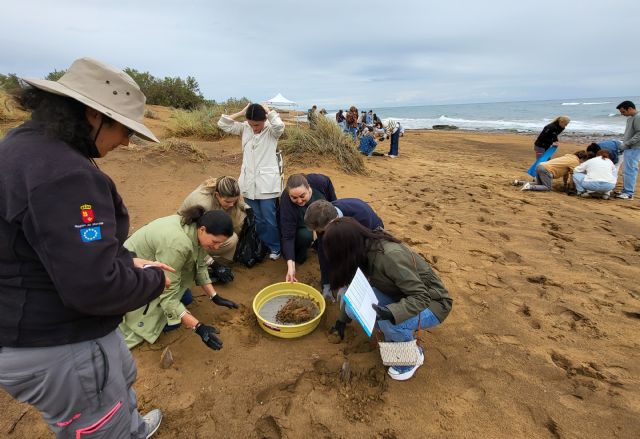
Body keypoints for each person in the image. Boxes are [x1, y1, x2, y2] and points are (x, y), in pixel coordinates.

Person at [0, 58, 168, 438]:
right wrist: (153, 281)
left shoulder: (21, 149)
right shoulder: (66, 175)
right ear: (94, 115)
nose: (126, 141)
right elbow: (95, 287)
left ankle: (132, 428)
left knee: (117, 385)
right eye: (124, 129)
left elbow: (52, 245)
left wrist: (124, 260)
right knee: (98, 424)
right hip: (62, 345)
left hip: (31, 327)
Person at [323, 218, 452, 381]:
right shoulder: (363, 251)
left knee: (388, 323)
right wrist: (340, 322)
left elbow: (421, 297)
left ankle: (411, 359)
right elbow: (356, 292)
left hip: (434, 303)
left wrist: (391, 313)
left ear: (346, 249)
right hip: (400, 294)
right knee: (351, 309)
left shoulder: (389, 257)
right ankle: (394, 333)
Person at [120, 208, 238, 349]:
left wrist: (214, 296)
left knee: (185, 298)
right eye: (215, 241)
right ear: (202, 229)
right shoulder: (178, 244)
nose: (217, 247)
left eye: (220, 243)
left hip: (151, 263)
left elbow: (199, 264)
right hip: (127, 272)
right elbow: (167, 295)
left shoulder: (194, 228)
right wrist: (198, 327)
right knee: (170, 319)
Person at [217, 103, 284, 259]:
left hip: (267, 184)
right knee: (256, 217)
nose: (254, 128)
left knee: (270, 218)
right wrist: (241, 112)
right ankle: (261, 246)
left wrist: (268, 111)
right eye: (251, 124)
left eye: (257, 124)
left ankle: (275, 247)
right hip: (248, 183)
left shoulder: (271, 130)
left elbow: (280, 126)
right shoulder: (245, 128)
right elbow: (223, 124)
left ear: (264, 120)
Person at [304, 198, 384, 301]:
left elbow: (355, 256)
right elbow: (323, 251)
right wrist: (326, 283)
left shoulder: (361, 217)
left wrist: (346, 284)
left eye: (322, 231)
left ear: (332, 222)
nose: (319, 233)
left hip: (370, 234)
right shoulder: (322, 216)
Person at [280, 173, 337, 283]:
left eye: (302, 196)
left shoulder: (320, 182)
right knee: (304, 236)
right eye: (294, 198)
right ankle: (301, 252)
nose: (299, 201)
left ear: (308, 187)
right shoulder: (286, 201)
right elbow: (288, 236)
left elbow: (333, 204)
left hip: (322, 217)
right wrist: (291, 266)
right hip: (301, 225)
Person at [179, 176, 250, 262]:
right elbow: (195, 233)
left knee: (241, 215)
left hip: (201, 227)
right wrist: (208, 261)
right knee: (231, 239)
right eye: (228, 202)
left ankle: (222, 262)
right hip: (185, 233)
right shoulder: (203, 204)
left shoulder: (221, 187)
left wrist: (247, 208)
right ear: (217, 195)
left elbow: (236, 202)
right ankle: (206, 261)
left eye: (234, 201)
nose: (232, 204)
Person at [521, 150, 588, 192]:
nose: (582, 163)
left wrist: (565, 184)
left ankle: (519, 182)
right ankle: (529, 187)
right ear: (582, 158)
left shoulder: (568, 157)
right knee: (547, 187)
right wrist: (571, 188)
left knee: (540, 184)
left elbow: (566, 174)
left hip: (540, 165)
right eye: (583, 161)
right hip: (546, 170)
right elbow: (573, 176)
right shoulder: (575, 162)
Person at [615, 101, 640, 199]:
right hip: (629, 147)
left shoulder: (638, 117)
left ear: (630, 108)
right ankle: (626, 191)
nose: (622, 114)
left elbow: (639, 134)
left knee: (630, 170)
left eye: (623, 112)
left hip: (635, 147)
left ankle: (629, 193)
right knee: (626, 170)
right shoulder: (631, 118)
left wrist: (626, 143)